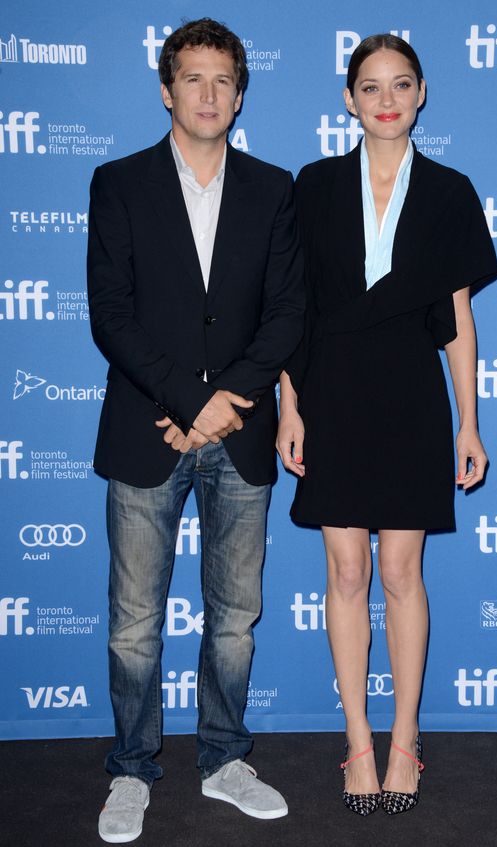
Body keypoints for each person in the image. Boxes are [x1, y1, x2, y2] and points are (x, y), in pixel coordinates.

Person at [87, 18, 303, 843]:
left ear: (240, 94)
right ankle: (134, 768)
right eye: (192, 78)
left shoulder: (273, 189)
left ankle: (223, 759)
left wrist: (224, 404)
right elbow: (111, 315)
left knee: (235, 614)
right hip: (148, 429)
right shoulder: (119, 183)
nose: (208, 94)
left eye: (223, 80)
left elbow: (286, 314)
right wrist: (187, 402)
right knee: (135, 618)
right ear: (167, 89)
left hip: (241, 434)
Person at [277, 34, 497, 817]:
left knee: (402, 573)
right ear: (348, 99)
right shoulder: (312, 185)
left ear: (423, 92)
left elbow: (458, 318)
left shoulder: (448, 191)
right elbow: (290, 310)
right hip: (331, 390)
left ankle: (405, 736)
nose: (386, 99)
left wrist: (469, 421)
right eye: (369, 86)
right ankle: (358, 739)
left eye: (400, 84)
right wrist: (289, 404)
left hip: (410, 394)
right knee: (346, 573)